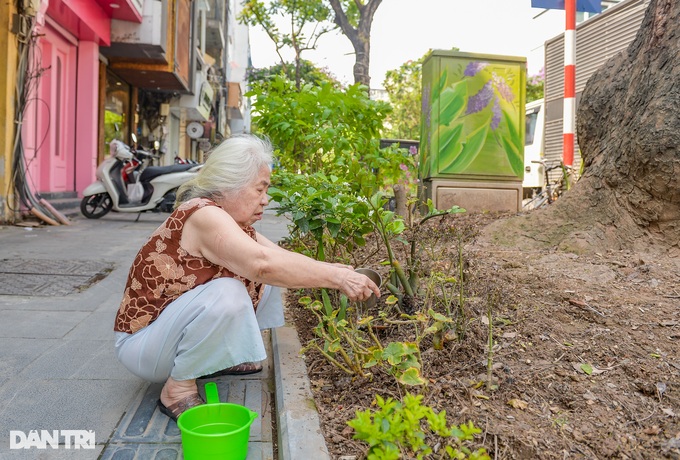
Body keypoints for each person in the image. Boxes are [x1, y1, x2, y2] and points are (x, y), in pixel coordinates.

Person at [113, 134, 380, 422]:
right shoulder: (204, 215)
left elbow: (279, 258)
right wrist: (337, 280)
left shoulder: (233, 220)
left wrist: (336, 270)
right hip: (144, 346)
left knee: (273, 275)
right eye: (259, 189)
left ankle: (222, 357)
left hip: (168, 335)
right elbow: (261, 265)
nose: (266, 200)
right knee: (230, 292)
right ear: (230, 185)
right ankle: (177, 389)